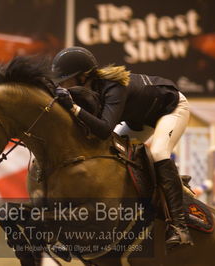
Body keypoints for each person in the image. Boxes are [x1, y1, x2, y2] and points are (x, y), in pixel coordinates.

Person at [52, 46, 193, 250]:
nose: (62, 84)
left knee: (158, 153)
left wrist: (73, 108)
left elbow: (104, 129)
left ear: (83, 76)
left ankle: (179, 226)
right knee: (108, 152)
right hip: (140, 121)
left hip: (171, 109)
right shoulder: (88, 89)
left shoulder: (113, 86)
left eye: (65, 79)